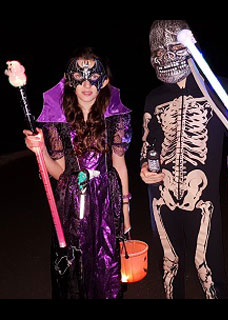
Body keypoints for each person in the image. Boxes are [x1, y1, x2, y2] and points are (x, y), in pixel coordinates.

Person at [140, 20, 228, 299]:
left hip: (204, 199)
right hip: (161, 195)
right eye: (157, 52)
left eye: (171, 48)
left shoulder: (219, 87)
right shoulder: (154, 97)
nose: (164, 57)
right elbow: (149, 144)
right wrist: (145, 169)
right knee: (169, 269)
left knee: (210, 270)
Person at [23, 47, 132, 299]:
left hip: (106, 203)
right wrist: (40, 151)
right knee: (72, 269)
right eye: (79, 77)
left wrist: (125, 211)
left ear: (104, 81)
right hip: (70, 205)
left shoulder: (115, 118)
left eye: (93, 78)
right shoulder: (57, 122)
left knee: (105, 268)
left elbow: (120, 165)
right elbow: (58, 172)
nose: (86, 84)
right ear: (68, 80)